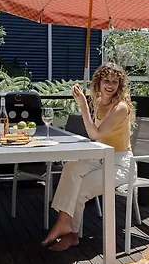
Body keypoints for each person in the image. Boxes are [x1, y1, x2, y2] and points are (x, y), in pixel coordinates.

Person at [42, 62, 136, 251]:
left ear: (120, 85)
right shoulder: (99, 101)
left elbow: (95, 134)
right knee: (71, 167)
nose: (110, 85)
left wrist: (83, 106)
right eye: (106, 81)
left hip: (120, 164)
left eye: (115, 82)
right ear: (98, 82)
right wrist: (87, 104)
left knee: (82, 187)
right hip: (101, 158)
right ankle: (64, 224)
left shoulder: (120, 107)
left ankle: (71, 233)